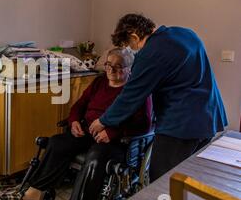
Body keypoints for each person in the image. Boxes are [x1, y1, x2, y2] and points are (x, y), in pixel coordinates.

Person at [0, 48, 152, 200]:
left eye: (119, 67)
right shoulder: (99, 82)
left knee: (96, 156)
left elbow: (144, 124)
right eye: (109, 65)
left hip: (115, 141)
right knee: (57, 142)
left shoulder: (137, 90)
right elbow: (79, 106)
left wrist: (112, 133)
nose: (111, 70)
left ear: (130, 69)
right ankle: (34, 194)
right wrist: (73, 122)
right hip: (88, 131)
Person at [90, 13, 228, 182]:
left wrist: (104, 121)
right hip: (209, 118)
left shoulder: (150, 53)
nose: (131, 50)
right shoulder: (186, 34)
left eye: (129, 45)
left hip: (180, 126)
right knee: (190, 179)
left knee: (162, 182)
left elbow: (130, 97)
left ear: (134, 36)